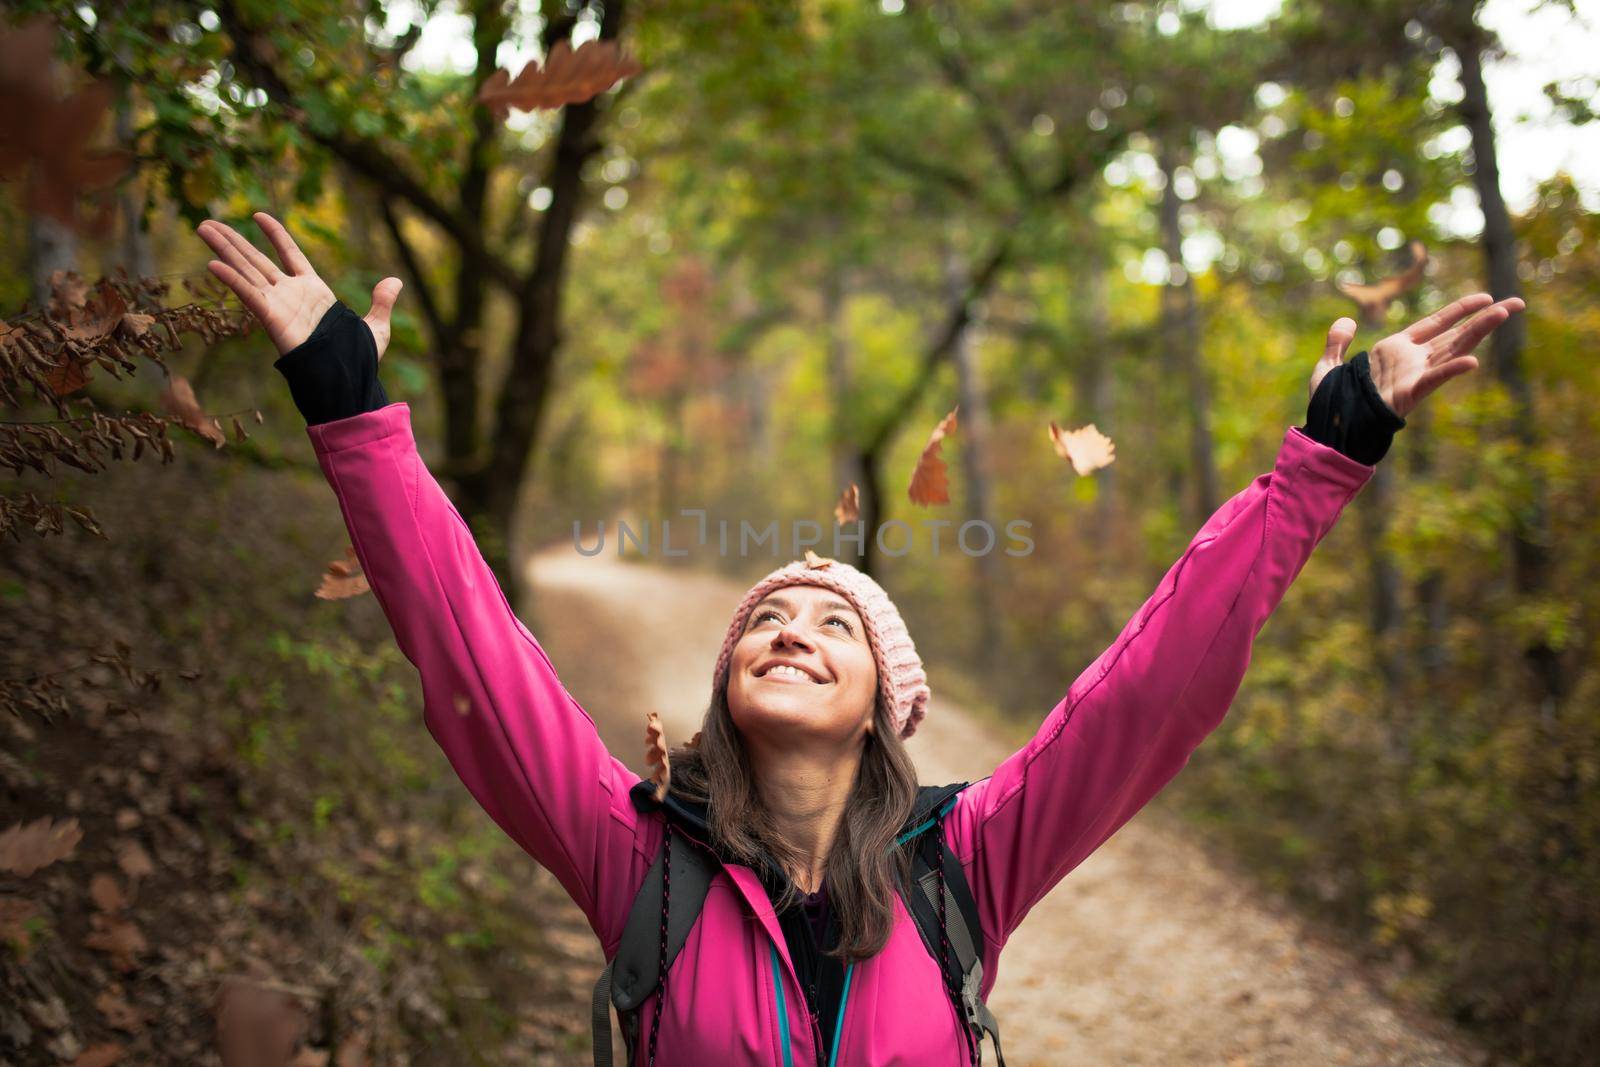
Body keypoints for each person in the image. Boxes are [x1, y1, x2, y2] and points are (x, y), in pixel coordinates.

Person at [195, 211, 1525, 1066]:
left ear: (888, 700)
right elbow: (470, 651)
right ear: (724, 686)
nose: (787, 626)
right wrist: (349, 408)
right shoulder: (634, 860)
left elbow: (1147, 695)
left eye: (834, 620)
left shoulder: (969, 868)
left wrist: (1322, 461)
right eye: (763, 617)